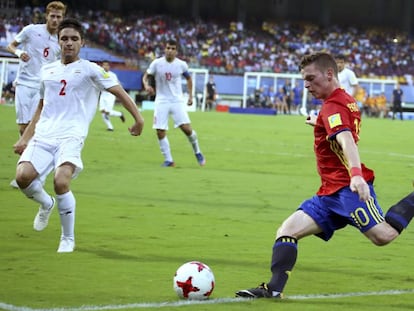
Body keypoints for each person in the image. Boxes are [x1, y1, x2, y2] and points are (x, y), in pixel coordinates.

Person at [235, 52, 414, 299]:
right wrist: (319, 123)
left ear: (329, 74)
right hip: (328, 192)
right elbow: (341, 125)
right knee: (287, 230)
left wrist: (356, 175)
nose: (306, 85)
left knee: (383, 236)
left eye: (310, 78)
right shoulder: (342, 100)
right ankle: (273, 289)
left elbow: (346, 138)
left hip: (347, 188)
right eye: (304, 80)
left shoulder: (332, 106)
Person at [12, 18, 145, 253]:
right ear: (58, 42)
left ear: (82, 42)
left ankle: (67, 238)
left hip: (71, 136)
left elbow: (119, 92)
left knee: (61, 180)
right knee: (23, 177)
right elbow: (42, 106)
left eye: (74, 39)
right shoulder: (47, 70)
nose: (69, 43)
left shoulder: (91, 70)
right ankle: (46, 203)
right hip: (44, 134)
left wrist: (139, 118)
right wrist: (25, 138)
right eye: (64, 39)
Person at [7, 1, 66, 189]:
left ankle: (31, 175)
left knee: (36, 129)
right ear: (46, 16)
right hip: (24, 83)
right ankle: (28, 170)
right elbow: (11, 45)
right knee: (23, 128)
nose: (55, 20)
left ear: (62, 18)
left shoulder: (62, 39)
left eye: (59, 17)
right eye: (52, 16)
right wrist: (19, 53)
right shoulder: (31, 30)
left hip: (43, 87)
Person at [142, 39, 205, 167]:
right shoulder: (157, 63)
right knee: (160, 130)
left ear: (176, 51)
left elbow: (188, 79)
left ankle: (197, 151)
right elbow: (146, 76)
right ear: (164, 49)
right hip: (161, 100)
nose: (170, 51)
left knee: (187, 130)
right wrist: (146, 85)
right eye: (168, 48)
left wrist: (191, 96)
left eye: (172, 49)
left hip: (177, 101)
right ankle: (169, 160)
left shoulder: (181, 65)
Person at [98, 60, 126, 131]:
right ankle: (110, 127)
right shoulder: (99, 74)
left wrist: (119, 94)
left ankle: (120, 114)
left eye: (107, 65)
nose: (105, 67)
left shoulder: (112, 75)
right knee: (102, 111)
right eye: (104, 65)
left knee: (108, 111)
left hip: (110, 95)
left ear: (109, 66)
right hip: (103, 94)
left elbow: (118, 85)